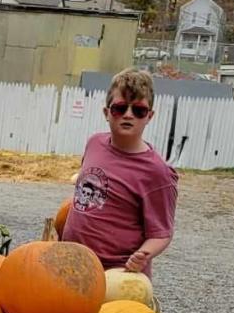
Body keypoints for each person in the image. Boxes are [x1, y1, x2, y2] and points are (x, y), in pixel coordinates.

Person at [62, 67, 177, 277]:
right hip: (74, 262)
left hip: (116, 272)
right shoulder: (94, 143)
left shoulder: (157, 172)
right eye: (120, 108)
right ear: (107, 112)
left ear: (149, 116)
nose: (128, 115)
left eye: (138, 110)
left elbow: (161, 233)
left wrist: (143, 254)